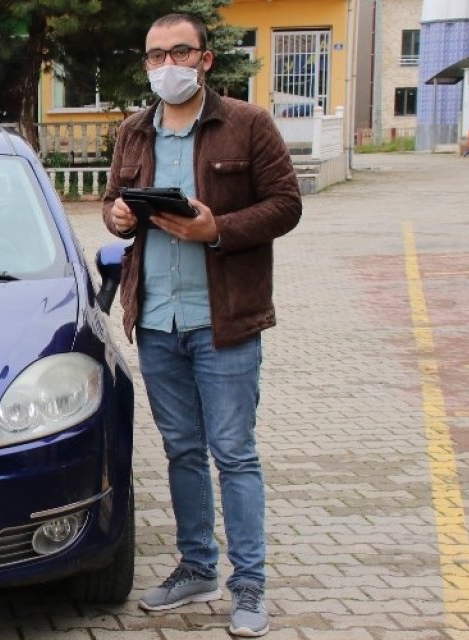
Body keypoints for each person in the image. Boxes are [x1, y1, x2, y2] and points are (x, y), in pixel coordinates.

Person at [102, 13, 302, 638]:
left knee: (234, 454)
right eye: (155, 56)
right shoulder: (134, 131)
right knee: (182, 451)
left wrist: (218, 229)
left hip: (225, 322)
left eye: (179, 52)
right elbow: (113, 204)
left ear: (206, 59)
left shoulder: (247, 124)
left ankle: (249, 584)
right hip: (157, 321)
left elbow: (286, 204)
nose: (167, 66)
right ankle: (196, 568)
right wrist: (118, 218)